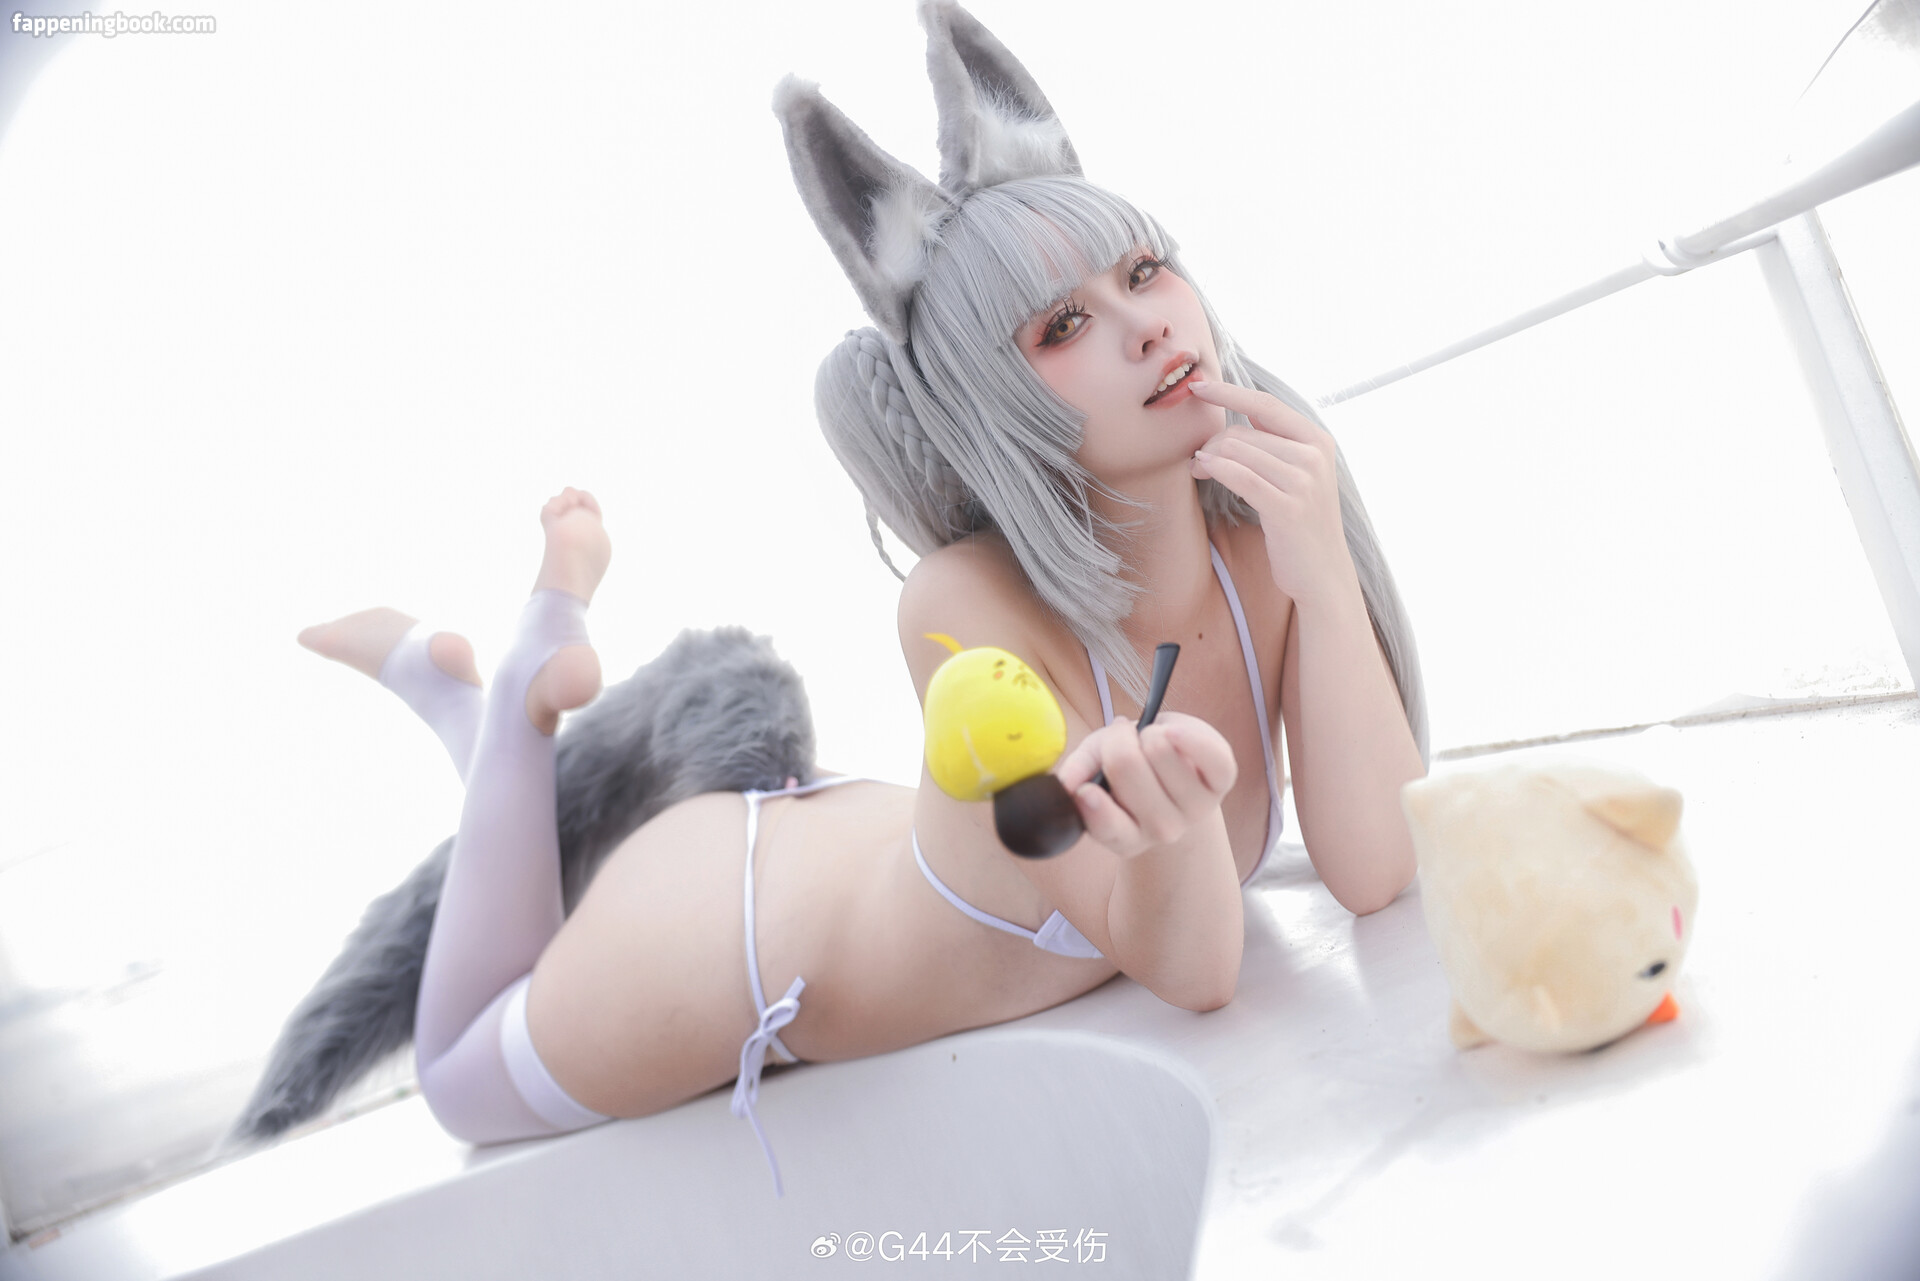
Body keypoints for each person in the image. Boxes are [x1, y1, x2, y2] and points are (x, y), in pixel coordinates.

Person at [272, 0, 1430, 1198]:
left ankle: (485, 718)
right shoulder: (961, 604)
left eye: (1144, 270)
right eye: (1064, 324)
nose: (1147, 327)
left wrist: (1324, 572)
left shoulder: (1263, 556)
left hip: (838, 837)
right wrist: (1177, 821)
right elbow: (1191, 971)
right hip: (716, 933)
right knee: (462, 1074)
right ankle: (507, 690)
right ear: (985, 395)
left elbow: (1376, 867)